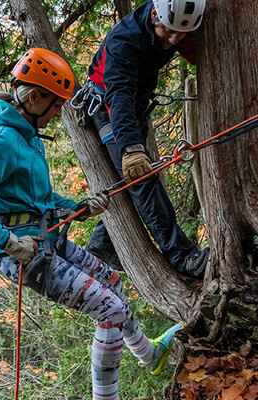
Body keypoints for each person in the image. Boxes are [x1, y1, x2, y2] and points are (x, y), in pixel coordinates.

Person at [0, 48, 181, 400]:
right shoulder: (1, 142)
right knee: (111, 310)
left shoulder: (27, 134)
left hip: (47, 238)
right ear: (33, 97)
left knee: (112, 280)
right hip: (25, 254)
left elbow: (37, 198)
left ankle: (149, 355)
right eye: (56, 104)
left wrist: (78, 207)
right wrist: (8, 243)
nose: (59, 112)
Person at [80, 0, 210, 277]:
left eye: (181, 33)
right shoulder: (124, 40)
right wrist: (130, 148)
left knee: (135, 178)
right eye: (169, 31)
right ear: (154, 15)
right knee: (142, 178)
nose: (173, 39)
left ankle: (103, 243)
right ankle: (182, 257)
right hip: (108, 108)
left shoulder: (175, 23)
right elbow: (119, 94)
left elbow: (197, 51)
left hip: (135, 107)